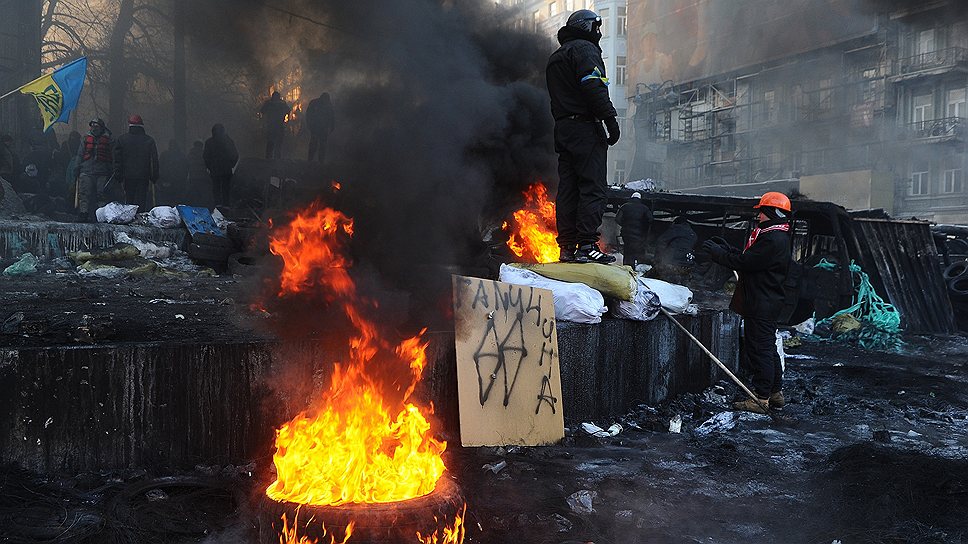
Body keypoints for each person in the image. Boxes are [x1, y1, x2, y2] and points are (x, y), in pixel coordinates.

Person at [701, 192, 793, 414]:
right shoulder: (775, 236)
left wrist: (718, 255)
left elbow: (746, 262)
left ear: (771, 212)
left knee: (759, 349)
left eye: (762, 211)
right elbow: (751, 259)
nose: (759, 216)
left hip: (761, 302)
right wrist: (727, 249)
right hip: (766, 301)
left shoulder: (773, 239)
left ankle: (760, 398)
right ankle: (774, 393)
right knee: (768, 348)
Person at [546, 9, 621, 264]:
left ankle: (567, 247)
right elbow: (593, 86)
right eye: (596, 27)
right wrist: (610, 119)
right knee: (593, 188)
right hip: (585, 129)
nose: (599, 33)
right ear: (586, 27)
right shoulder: (585, 50)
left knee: (568, 189)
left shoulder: (556, 57)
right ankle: (587, 245)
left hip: (563, 129)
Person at [113, 114, 159, 210]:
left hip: (128, 176)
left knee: (129, 199)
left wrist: (118, 175)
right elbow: (154, 160)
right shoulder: (149, 140)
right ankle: (141, 217)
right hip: (144, 176)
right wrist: (154, 176)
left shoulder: (122, 139)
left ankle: (129, 217)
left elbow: (118, 160)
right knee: (141, 199)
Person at [73, 119, 114, 222]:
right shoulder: (86, 138)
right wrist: (76, 167)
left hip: (102, 172)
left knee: (102, 195)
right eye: (93, 126)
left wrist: (113, 169)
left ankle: (101, 215)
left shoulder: (109, 139)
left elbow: (112, 156)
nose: (94, 128)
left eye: (97, 126)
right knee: (84, 194)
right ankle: (83, 213)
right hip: (86, 170)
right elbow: (80, 154)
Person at [652, 215, 698, 284]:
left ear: (675, 223)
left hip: (672, 265)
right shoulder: (693, 234)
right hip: (687, 267)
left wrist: (657, 260)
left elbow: (661, 241)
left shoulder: (676, 228)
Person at [203, 123, 239, 206]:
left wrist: (209, 167)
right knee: (226, 190)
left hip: (215, 171)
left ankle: (218, 207)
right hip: (226, 171)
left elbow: (205, 157)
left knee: (216, 190)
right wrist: (231, 165)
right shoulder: (228, 141)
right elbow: (235, 155)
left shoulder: (209, 142)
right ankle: (225, 206)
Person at [615, 192, 653, 268]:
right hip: (639, 235)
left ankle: (627, 267)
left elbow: (617, 219)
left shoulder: (624, 206)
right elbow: (650, 220)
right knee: (638, 251)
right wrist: (643, 227)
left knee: (628, 252)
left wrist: (625, 225)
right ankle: (639, 268)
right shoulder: (644, 208)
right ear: (640, 199)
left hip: (627, 234)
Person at [260, 91, 291, 159]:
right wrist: (287, 121)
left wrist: (263, 122)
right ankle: (276, 159)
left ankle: (269, 159)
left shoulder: (269, 103)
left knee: (271, 143)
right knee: (277, 143)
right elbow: (288, 111)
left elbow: (262, 111)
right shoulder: (282, 103)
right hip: (278, 125)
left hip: (272, 125)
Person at [305, 92, 335, 162]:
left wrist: (332, 126)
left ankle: (318, 161)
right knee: (315, 144)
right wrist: (309, 124)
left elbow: (331, 116)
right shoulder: (317, 103)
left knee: (321, 145)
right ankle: (312, 160)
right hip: (316, 127)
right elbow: (309, 115)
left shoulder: (326, 104)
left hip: (321, 128)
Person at [159, 139, 189, 204]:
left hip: (167, 181)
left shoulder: (164, 155)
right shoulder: (182, 156)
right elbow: (186, 168)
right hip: (179, 182)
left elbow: (160, 167)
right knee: (178, 200)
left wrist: (162, 179)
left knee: (167, 199)